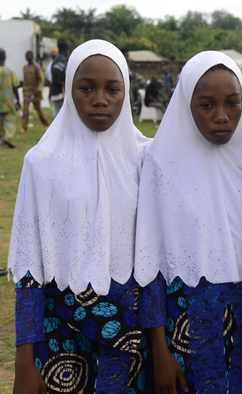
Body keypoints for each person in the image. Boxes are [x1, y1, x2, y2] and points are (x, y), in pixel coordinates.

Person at [8, 39, 151, 394]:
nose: (100, 99)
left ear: (127, 92)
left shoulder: (147, 160)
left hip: (134, 335)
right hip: (62, 334)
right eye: (86, 88)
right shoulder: (41, 164)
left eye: (112, 89)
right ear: (69, 89)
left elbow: (156, 260)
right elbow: (29, 266)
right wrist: (26, 361)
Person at [134, 51, 242, 393]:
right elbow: (149, 261)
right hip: (185, 317)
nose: (221, 116)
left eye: (233, 103)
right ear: (185, 104)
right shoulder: (162, 162)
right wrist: (159, 349)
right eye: (206, 105)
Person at [20, 50, 50, 134]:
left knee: (39, 109)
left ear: (32, 56)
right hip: (26, 92)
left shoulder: (36, 67)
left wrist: (39, 90)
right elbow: (25, 80)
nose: (28, 57)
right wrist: (23, 89)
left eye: (29, 55)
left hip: (35, 92)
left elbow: (41, 79)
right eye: (26, 55)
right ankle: (24, 127)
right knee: (25, 110)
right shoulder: (25, 67)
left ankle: (47, 125)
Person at [0, 48, 20, 148]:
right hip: (8, 101)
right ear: (5, 57)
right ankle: (8, 136)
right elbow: (15, 86)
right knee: (10, 120)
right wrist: (18, 100)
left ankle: (1, 138)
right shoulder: (9, 70)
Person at [50, 42, 68, 117]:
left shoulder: (57, 60)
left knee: (58, 110)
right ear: (65, 51)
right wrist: (62, 83)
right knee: (61, 111)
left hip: (56, 90)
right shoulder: (60, 61)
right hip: (59, 90)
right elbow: (56, 73)